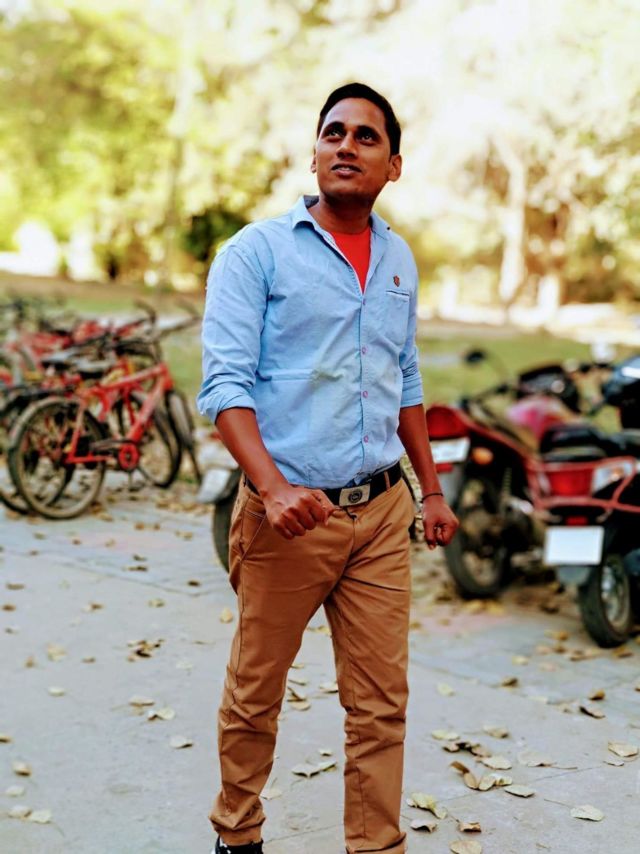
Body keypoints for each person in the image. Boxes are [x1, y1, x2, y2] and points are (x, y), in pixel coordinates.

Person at [197, 82, 459, 854]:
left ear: (394, 165)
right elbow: (225, 387)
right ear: (313, 153)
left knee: (380, 705)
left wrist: (431, 490)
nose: (347, 145)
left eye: (366, 136)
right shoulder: (256, 252)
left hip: (381, 513)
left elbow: (403, 376)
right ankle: (238, 834)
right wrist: (272, 488)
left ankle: (375, 846)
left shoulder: (398, 258)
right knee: (256, 693)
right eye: (333, 132)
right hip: (290, 515)